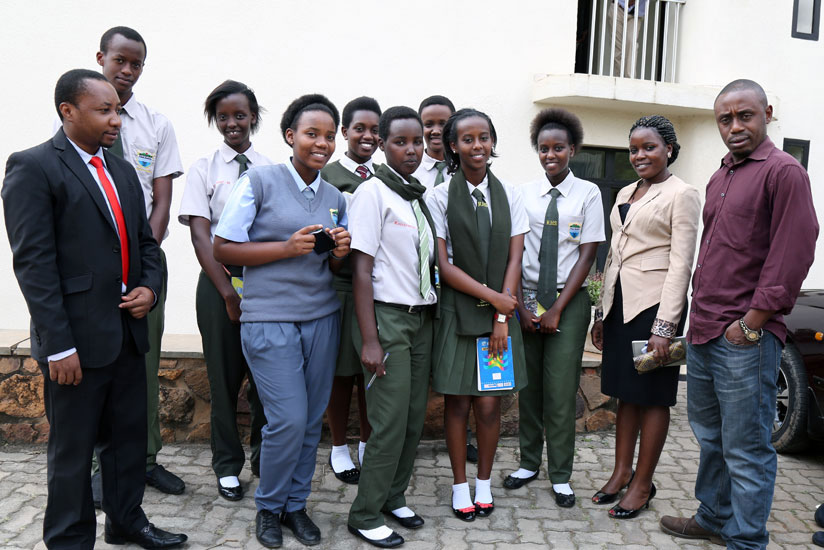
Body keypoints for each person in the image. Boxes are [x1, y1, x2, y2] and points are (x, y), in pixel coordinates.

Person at [2, 69, 187, 549]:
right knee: (73, 452)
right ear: (68, 111)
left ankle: (126, 523)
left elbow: (147, 243)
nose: (116, 121)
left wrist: (150, 287)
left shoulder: (122, 170)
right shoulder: (33, 166)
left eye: (117, 111)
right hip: (75, 345)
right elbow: (34, 266)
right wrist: (58, 344)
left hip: (127, 333)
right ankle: (68, 539)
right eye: (103, 110)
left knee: (126, 445)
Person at [660, 80, 819, 549]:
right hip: (707, 330)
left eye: (744, 116)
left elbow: (793, 253)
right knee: (711, 438)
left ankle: (747, 540)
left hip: (745, 337)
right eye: (725, 119)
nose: (734, 126)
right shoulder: (721, 175)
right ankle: (713, 517)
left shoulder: (784, 172)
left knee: (747, 448)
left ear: (767, 112)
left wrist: (751, 323)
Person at [213, 94, 351, 549]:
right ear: (291, 136)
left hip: (321, 320)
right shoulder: (260, 181)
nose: (322, 143)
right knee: (287, 420)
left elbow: (328, 266)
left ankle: (296, 505)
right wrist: (285, 247)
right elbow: (224, 249)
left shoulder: (334, 196)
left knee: (311, 421)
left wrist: (338, 254)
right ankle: (269, 508)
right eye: (312, 133)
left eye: (330, 136)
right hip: (269, 319)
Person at [591, 115, 700, 519]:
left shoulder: (682, 194)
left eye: (649, 147)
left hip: (656, 307)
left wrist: (665, 326)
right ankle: (621, 472)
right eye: (634, 148)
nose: (640, 155)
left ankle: (643, 483)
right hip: (621, 306)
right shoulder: (624, 192)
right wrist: (601, 312)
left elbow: (681, 264)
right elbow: (615, 257)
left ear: (669, 148)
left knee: (653, 398)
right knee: (625, 392)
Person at [426, 108, 529, 522]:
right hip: (457, 314)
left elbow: (516, 256)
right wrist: (496, 299)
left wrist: (503, 315)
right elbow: (443, 266)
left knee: (488, 406)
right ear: (453, 146)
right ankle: (458, 486)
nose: (478, 146)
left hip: (498, 320)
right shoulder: (437, 197)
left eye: (484, 137)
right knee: (457, 403)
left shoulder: (512, 195)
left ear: (492, 141)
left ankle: (483, 482)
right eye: (467, 139)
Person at [95, 26, 186, 498]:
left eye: (136, 64)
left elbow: (163, 201)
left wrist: (141, 261)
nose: (127, 70)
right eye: (120, 61)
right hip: (95, 268)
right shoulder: (74, 119)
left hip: (144, 263)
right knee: (100, 366)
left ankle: (146, 460)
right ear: (101, 59)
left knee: (143, 365)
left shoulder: (156, 124)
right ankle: (100, 464)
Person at [346, 106, 438, 548]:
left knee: (413, 420)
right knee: (387, 421)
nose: (412, 150)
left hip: (422, 319)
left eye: (417, 141)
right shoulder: (373, 193)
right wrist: (369, 339)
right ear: (382, 144)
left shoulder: (415, 196)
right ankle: (363, 513)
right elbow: (360, 270)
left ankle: (392, 496)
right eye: (400, 141)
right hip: (387, 319)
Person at [504, 108, 605, 508]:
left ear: (572, 149)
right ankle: (529, 463)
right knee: (528, 387)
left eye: (558, 148)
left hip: (569, 299)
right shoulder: (522, 194)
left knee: (560, 391)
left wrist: (558, 308)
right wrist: (519, 308)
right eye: (544, 148)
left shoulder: (588, 193)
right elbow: (513, 250)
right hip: (526, 298)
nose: (551, 154)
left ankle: (560, 474)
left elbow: (587, 255)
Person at [177, 80, 268, 501]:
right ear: (216, 121)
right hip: (218, 285)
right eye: (224, 116)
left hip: (266, 285)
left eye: (240, 114)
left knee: (267, 377)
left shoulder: (272, 167)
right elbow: (201, 236)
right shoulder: (204, 169)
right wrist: (229, 293)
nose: (233, 123)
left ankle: (265, 456)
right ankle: (227, 464)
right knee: (224, 377)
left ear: (253, 116)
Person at [321, 96, 382, 484]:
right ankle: (340, 446)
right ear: (344, 132)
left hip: (377, 287)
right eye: (360, 128)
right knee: (341, 372)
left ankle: (367, 443)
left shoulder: (383, 176)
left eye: (375, 130)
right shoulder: (327, 176)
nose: (368, 136)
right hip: (340, 286)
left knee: (370, 373)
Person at [412, 95, 455, 191]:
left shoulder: (465, 169)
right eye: (428, 124)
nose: (436, 131)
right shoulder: (411, 169)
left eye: (443, 124)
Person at [608, 0, 649, 78]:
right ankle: (619, 79)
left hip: (636, 13)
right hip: (618, 7)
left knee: (631, 43)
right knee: (617, 49)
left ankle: (630, 79)